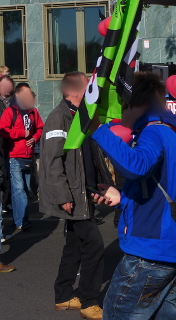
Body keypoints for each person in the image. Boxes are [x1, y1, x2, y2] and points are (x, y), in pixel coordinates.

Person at [91, 72, 176, 320]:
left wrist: (97, 128)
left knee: (116, 315)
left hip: (149, 251)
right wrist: (122, 198)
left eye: (122, 103)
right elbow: (160, 185)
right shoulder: (169, 131)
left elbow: (137, 166)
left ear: (134, 104)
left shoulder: (153, 132)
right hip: (170, 247)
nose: (119, 110)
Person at [38, 72, 106, 320]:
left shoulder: (80, 116)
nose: (90, 90)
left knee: (74, 246)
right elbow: (53, 161)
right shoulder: (59, 117)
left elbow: (89, 157)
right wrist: (64, 196)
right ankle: (89, 301)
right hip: (73, 196)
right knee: (95, 244)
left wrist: (98, 186)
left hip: (83, 192)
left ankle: (64, 295)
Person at [0, 83, 43, 230]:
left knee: (24, 190)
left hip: (27, 155)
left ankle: (20, 219)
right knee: (19, 190)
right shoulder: (10, 111)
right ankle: (21, 222)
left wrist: (35, 138)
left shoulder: (33, 112)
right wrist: (21, 133)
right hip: (13, 156)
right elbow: (3, 130)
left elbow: (40, 128)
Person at [0, 76, 14, 214]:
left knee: (7, 175)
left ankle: (7, 201)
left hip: (13, 145)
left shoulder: (17, 101)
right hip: (2, 144)